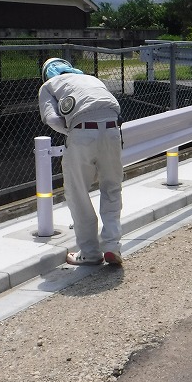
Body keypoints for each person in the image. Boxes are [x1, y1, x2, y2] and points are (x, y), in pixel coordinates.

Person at [38, 58, 124, 266]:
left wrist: (73, 132)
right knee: (112, 187)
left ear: (47, 74)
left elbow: (52, 119)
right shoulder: (90, 79)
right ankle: (112, 245)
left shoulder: (48, 86)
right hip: (113, 130)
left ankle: (90, 252)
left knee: (78, 193)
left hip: (82, 131)